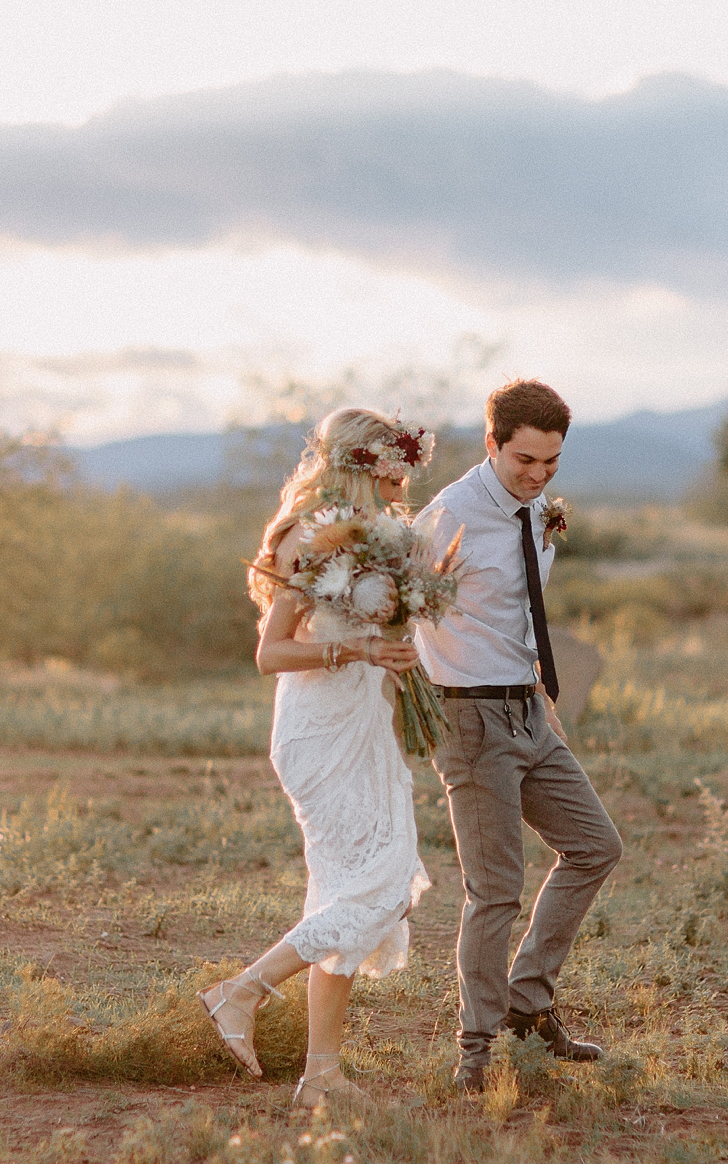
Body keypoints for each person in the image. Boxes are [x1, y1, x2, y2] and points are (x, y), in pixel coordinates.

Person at [198, 408, 434, 1108]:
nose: (407, 476)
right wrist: (355, 648)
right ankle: (241, 991)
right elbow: (270, 653)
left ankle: (321, 1075)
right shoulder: (311, 535)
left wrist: (392, 647)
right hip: (317, 731)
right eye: (399, 462)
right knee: (385, 883)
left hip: (367, 722)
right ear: (368, 463)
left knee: (344, 894)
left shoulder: (386, 539)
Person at [414, 378, 625, 1093]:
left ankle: (527, 1005)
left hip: (529, 710)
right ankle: (474, 1051)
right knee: (495, 889)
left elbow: (519, 608)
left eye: (551, 463)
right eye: (524, 460)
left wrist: (541, 688)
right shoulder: (447, 517)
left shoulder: (537, 510)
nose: (537, 475)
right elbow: (398, 611)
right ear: (492, 443)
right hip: (471, 718)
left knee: (596, 844)